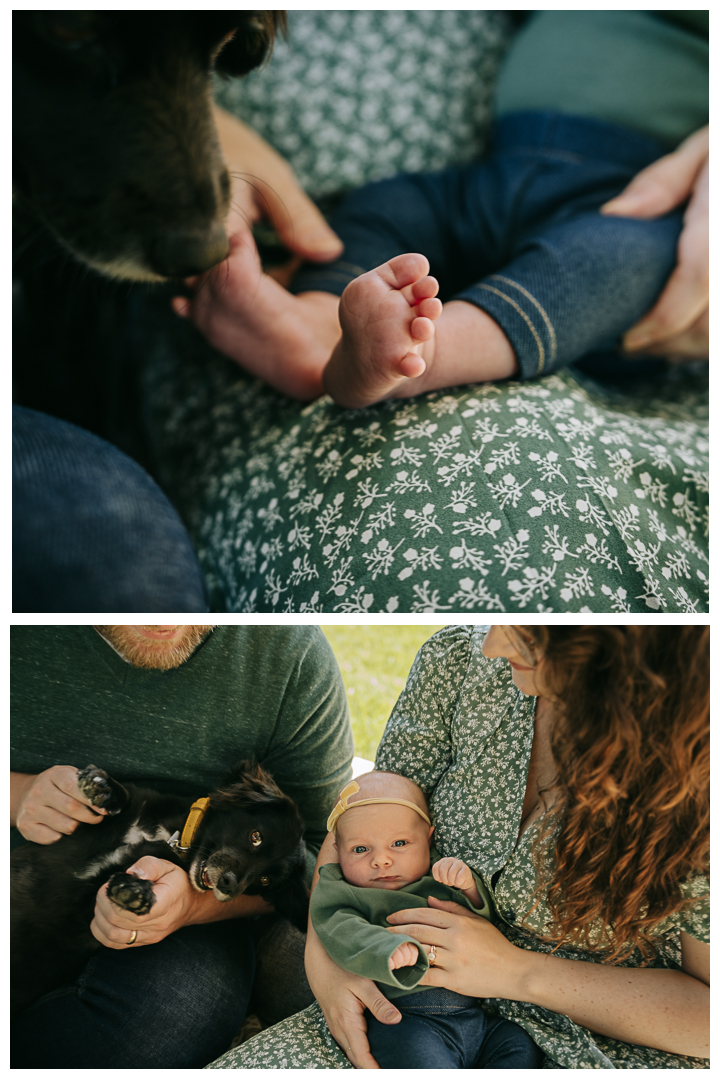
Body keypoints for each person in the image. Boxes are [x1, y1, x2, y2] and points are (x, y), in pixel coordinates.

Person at [208, 624, 709, 1069]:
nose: (493, 642)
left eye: (531, 630)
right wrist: (327, 966)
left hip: (603, 1036)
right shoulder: (459, 661)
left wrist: (516, 972)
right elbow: (362, 822)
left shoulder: (701, 778)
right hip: (402, 1003)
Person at [174, 11, 708, 408]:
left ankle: (425, 356)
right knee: (388, 204)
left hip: (633, 193)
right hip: (498, 165)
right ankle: (317, 323)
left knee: (607, 262)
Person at [10, 624, 354, 1068]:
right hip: (29, 868)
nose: (165, 619)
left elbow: (320, 849)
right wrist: (16, 794)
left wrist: (193, 905)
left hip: (192, 922)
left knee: (173, 1016)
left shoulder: (289, 652)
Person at [311, 770, 543, 1068]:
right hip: (408, 1019)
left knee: (518, 1044)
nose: (381, 860)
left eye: (399, 844)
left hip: (475, 1018)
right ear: (337, 852)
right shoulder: (345, 893)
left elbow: (480, 923)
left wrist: (471, 890)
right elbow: (341, 930)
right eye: (360, 849)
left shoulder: (438, 878)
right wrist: (386, 948)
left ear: (428, 838)